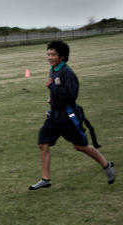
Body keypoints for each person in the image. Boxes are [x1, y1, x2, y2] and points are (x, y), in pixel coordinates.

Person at [29, 40, 114, 190]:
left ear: (62, 56)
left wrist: (52, 87)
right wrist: (52, 98)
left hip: (68, 116)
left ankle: (107, 165)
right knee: (43, 143)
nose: (49, 57)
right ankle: (45, 179)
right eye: (48, 54)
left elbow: (71, 95)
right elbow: (57, 91)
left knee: (80, 146)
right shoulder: (54, 69)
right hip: (54, 116)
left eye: (53, 54)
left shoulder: (67, 72)